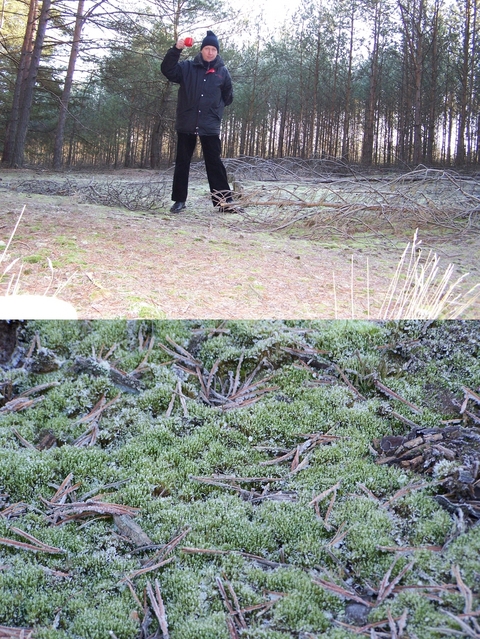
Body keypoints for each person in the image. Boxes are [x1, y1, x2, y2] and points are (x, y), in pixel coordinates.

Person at [161, 31, 238, 213]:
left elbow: (228, 96)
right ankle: (179, 200)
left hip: (209, 125)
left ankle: (224, 203)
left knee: (214, 164)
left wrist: (214, 110)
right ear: (201, 50)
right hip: (187, 122)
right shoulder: (187, 68)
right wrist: (176, 49)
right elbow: (167, 70)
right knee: (182, 163)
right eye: (207, 48)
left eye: (213, 49)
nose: (210, 52)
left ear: (217, 52)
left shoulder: (222, 72)